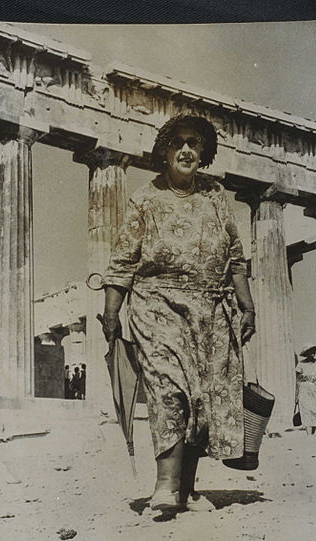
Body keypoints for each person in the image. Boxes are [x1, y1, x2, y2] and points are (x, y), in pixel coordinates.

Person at [101, 113, 256, 512]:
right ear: (165, 150)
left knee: (202, 399)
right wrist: (111, 313)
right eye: (178, 143)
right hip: (157, 305)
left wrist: (246, 304)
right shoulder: (145, 198)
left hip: (211, 310)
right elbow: (121, 262)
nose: (186, 150)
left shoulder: (216, 196)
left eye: (194, 143)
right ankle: (165, 486)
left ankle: (188, 490)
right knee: (169, 389)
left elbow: (236, 258)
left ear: (203, 152)